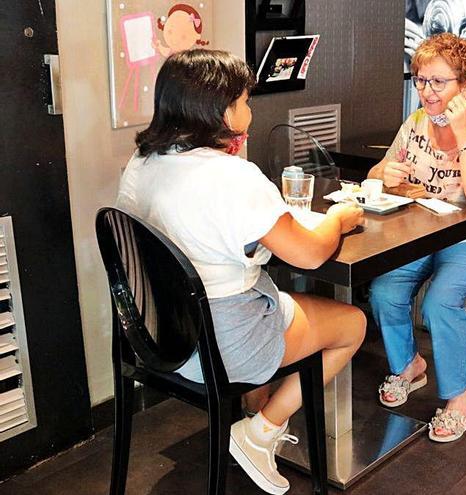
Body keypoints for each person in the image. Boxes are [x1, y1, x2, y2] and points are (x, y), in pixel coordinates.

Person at [116, 49, 365, 495]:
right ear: (220, 109)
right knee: (353, 324)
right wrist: (341, 218)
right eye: (245, 100)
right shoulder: (233, 177)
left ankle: (257, 413)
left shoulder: (142, 164)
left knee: (271, 299)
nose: (249, 110)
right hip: (223, 348)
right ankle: (258, 434)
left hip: (157, 336)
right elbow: (309, 255)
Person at [367, 33, 466, 443]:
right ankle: (408, 365)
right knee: (383, 290)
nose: (426, 92)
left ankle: (458, 397)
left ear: (465, 85)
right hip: (424, 232)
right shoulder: (415, 122)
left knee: (440, 300)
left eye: (438, 82)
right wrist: (385, 174)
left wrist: (461, 130)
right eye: (419, 80)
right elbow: (378, 171)